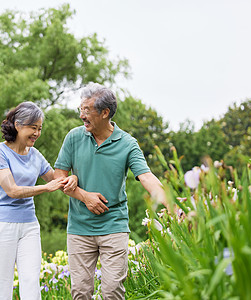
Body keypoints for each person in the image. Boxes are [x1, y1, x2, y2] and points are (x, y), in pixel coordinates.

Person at [54, 83, 168, 299]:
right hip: (79, 227)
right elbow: (58, 177)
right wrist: (84, 195)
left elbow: (146, 177)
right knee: (80, 292)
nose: (82, 115)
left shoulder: (127, 143)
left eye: (87, 110)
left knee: (112, 290)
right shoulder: (74, 137)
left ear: (105, 113)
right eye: (81, 109)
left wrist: (171, 203)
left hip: (114, 225)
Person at [0, 101, 77, 300]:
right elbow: (12, 190)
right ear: (18, 125)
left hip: (29, 225)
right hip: (2, 225)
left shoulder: (35, 155)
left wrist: (73, 178)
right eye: (33, 128)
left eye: (39, 129)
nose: (36, 133)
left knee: (30, 280)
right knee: (3, 284)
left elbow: (56, 179)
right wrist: (45, 188)